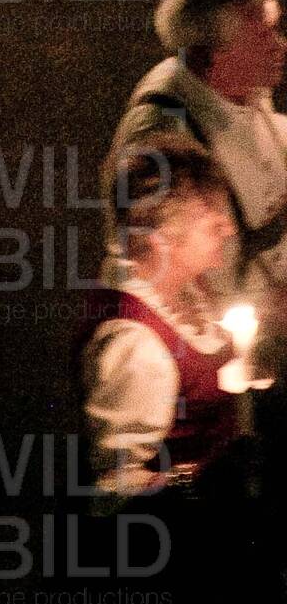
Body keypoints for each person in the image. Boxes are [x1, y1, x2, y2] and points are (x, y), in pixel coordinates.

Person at [106, 0, 287, 306]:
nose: (280, 46)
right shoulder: (162, 131)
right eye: (263, 35)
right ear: (212, 56)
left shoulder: (245, 90)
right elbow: (153, 265)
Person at [80, 135, 244, 501]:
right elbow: (114, 487)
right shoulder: (135, 343)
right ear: (161, 240)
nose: (229, 229)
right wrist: (200, 480)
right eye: (211, 222)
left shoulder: (182, 285)